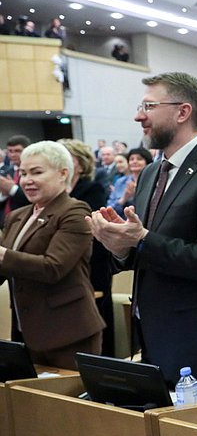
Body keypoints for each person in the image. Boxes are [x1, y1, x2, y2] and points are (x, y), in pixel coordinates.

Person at [87, 72, 197, 397]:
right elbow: (146, 251)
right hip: (154, 334)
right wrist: (120, 246)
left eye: (149, 106)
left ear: (183, 112)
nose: (139, 115)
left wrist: (141, 239)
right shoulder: (152, 172)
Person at [0, 141, 105, 369]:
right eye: (23, 173)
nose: (27, 180)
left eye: (36, 172)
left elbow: (53, 267)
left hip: (68, 332)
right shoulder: (17, 216)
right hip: (27, 331)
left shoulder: (74, 211)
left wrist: (3, 255)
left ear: (62, 174)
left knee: (67, 404)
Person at [59, 138, 115, 357]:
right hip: (66, 268)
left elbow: (93, 228)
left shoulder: (92, 189)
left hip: (93, 264)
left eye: (65, 155)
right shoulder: (52, 193)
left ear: (80, 165)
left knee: (94, 322)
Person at [106, 148, 153, 219]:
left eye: (139, 159)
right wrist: (124, 198)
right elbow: (109, 208)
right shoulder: (120, 182)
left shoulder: (153, 181)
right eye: (131, 159)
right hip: (122, 221)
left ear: (147, 162)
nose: (134, 161)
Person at [0, 135, 31, 226]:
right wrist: (3, 194)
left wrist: (12, 189)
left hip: (24, 221)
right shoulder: (5, 172)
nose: (13, 155)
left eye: (18, 151)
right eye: (10, 151)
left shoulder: (34, 173)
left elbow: (31, 199)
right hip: (4, 222)